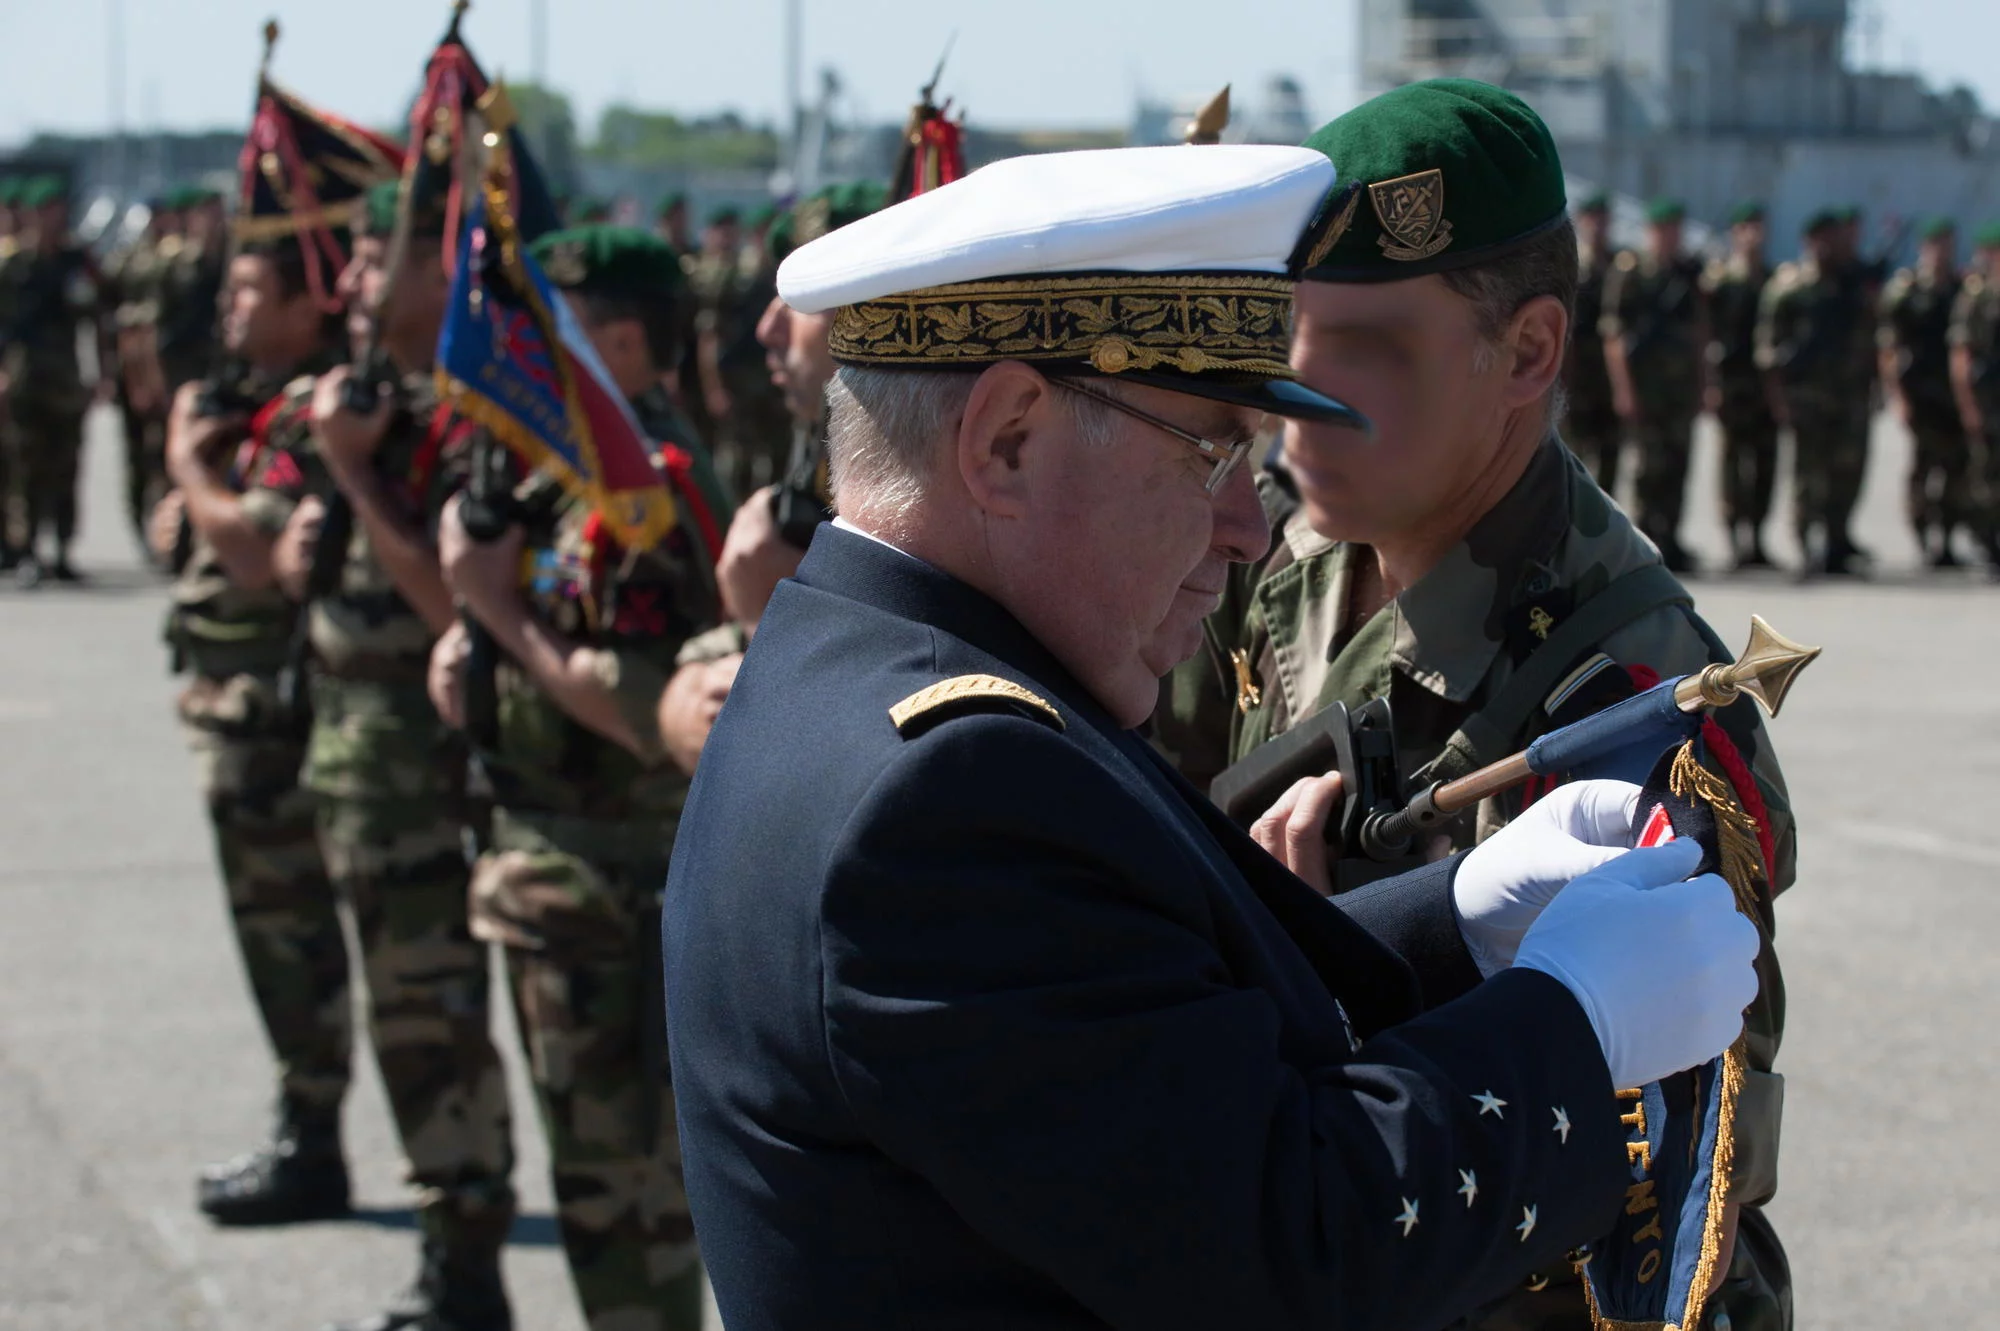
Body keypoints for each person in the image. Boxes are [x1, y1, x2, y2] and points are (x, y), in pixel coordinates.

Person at [664, 139, 1761, 1331]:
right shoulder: (948, 790)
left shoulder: (875, 668)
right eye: (1212, 450)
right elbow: (1285, 1252)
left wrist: (1448, 922)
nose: (1249, 524)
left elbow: (1127, 1025)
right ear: (1005, 441)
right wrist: (1571, 1022)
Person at [1156, 80, 1794, 1331]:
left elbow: (1668, 1167)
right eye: (1292, 331)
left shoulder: (1634, 705)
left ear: (1529, 351)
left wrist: (1343, 960)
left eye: (1370, 348)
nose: (1297, 393)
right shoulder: (1275, 559)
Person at [427, 225, 736, 1331]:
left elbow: (638, 705)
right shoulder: (573, 472)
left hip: (611, 885)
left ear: (611, 338)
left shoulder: (638, 488)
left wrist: (503, 614)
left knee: (627, 1202)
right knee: (605, 1191)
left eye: (544, 335)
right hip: (562, 879)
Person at [265, 180, 516, 1331]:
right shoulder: (365, 402)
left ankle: (464, 1265)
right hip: (349, 761)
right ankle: (445, 1252)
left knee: (433, 1027)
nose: (353, 284)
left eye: (374, 260)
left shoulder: (472, 420)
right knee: (398, 1017)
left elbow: (449, 601)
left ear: (437, 275)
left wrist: (360, 476)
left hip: (428, 781)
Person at [152, 233, 354, 1225]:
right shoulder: (263, 403)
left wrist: (188, 468)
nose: (230, 308)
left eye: (248, 290)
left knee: (294, 940)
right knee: (279, 938)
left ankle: (311, 1139)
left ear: (302, 305)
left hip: (274, 718)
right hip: (236, 707)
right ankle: (303, 1124)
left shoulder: (312, 408)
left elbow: (253, 549)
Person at [714, 181, 888, 627]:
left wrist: (764, 622)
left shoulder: (917, 476)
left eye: (802, 299)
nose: (769, 329)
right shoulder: (822, 430)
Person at [0, 175, 110, 586]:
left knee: (67, 464)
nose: (52, 218)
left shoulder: (75, 263)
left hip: (65, 376)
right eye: (44, 211)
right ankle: (27, 549)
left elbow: (97, 321)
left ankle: (63, 548)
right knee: (25, 466)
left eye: (58, 210)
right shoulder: (12, 266)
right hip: (23, 374)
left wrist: (102, 372)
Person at [1759, 208, 1877, 576]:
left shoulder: (1853, 284)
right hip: (1806, 398)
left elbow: (1871, 339)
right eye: (1822, 238)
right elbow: (1768, 351)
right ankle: (1802, 543)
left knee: (1847, 470)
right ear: (1809, 242)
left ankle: (1837, 542)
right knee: (1807, 474)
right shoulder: (1789, 289)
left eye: (1835, 238)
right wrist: (1778, 400)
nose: (1830, 246)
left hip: (1849, 396)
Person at [1601, 198, 1705, 572]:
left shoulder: (1688, 275)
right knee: (1647, 469)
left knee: (1679, 465)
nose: (1670, 237)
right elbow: (1613, 337)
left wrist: (1702, 384)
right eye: (1663, 230)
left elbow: (1699, 335)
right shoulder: (1632, 274)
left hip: (1678, 392)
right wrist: (1624, 390)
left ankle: (1673, 538)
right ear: (1650, 233)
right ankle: (1645, 542)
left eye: (1676, 230)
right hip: (1646, 391)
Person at [1880, 217, 1971, 566]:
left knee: (1955, 470)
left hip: (1952, 397)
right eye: (1935, 244)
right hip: (1920, 396)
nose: (1942, 252)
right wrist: (1899, 398)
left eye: (1947, 243)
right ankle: (1922, 537)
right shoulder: (1907, 290)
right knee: (1922, 470)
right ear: (1924, 248)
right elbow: (1889, 348)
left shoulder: (1962, 288)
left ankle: (1947, 540)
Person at [1703, 201, 1780, 569]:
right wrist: (1709, 384)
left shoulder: (1773, 279)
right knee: (1732, 462)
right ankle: (1735, 538)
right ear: (1735, 234)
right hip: (1732, 385)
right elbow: (1704, 335)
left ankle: (1758, 538)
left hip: (1764, 386)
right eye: (1747, 227)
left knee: (1766, 461)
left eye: (1759, 226)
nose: (1754, 235)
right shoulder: (1719, 282)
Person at [1948, 221, 2000, 568]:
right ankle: (1988, 544)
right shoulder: (1976, 298)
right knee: (1986, 476)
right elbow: (1961, 355)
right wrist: (1969, 407)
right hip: (1989, 402)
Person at [1562, 191, 1621, 494]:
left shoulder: (1620, 267)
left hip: (1610, 378)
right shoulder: (1569, 265)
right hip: (1577, 377)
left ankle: (1605, 526)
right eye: (1592, 219)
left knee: (1612, 455)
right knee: (1574, 456)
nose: (1598, 226)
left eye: (1603, 220)